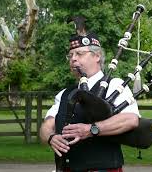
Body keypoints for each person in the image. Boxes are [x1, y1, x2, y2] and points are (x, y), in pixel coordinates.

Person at [40, 17, 140, 172]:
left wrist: (92, 129)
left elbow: (131, 119)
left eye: (79, 54)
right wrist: (51, 138)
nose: (73, 59)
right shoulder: (64, 94)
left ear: (97, 56)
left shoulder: (115, 85)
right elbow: (46, 125)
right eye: (70, 55)